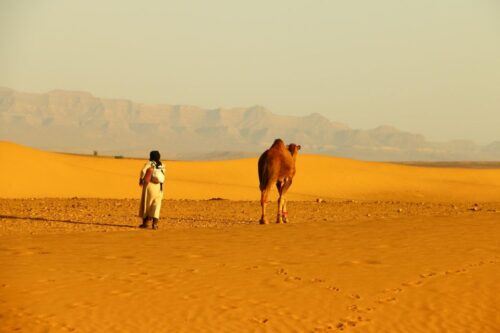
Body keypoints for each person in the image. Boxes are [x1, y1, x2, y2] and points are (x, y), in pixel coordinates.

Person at [138, 150, 165, 230]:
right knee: (157, 205)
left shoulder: (149, 163)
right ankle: (155, 224)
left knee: (147, 204)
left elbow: (143, 171)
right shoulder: (162, 165)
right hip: (160, 187)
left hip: (150, 186)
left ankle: (145, 224)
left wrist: (141, 179)